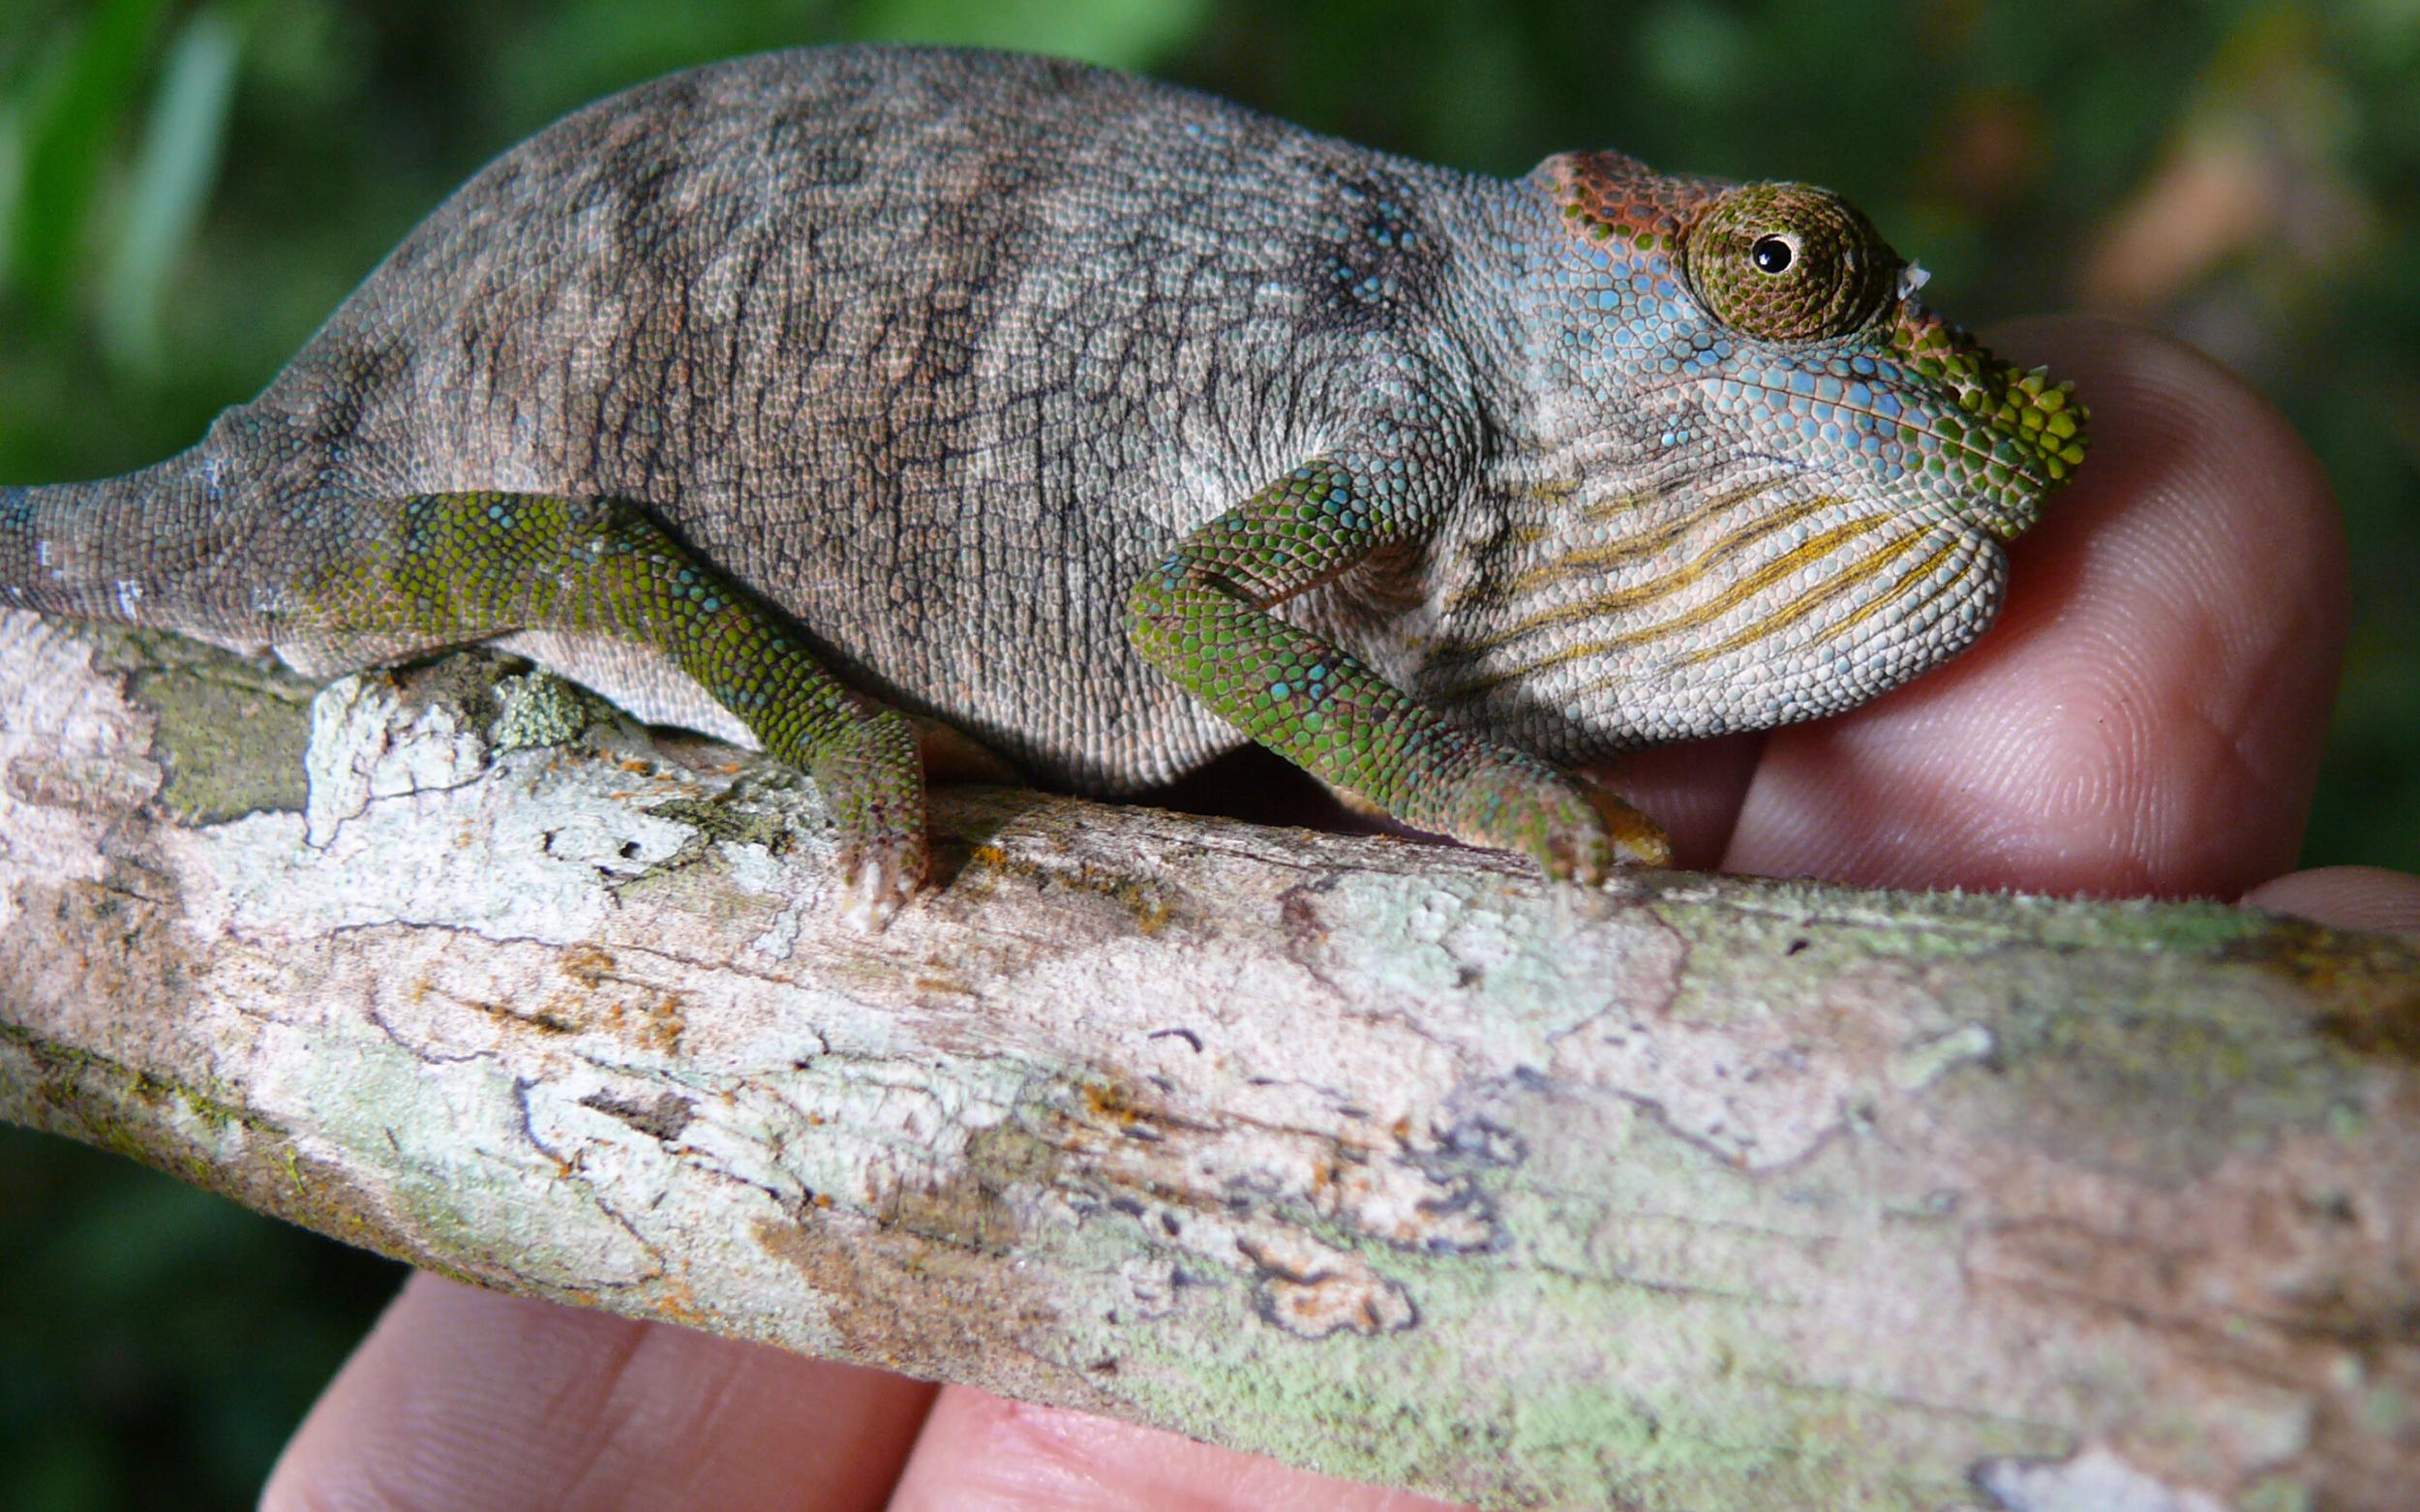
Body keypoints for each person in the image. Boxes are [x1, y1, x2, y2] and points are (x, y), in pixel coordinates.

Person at [260, 318, 2420, 1512]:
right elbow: (1178, 604)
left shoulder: (1472, 377)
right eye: (1780, 270)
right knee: (605, 561)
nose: (1872, 351)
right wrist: (1437, 778)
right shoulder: (1422, 391)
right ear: (1619, 258)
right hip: (455, 461)